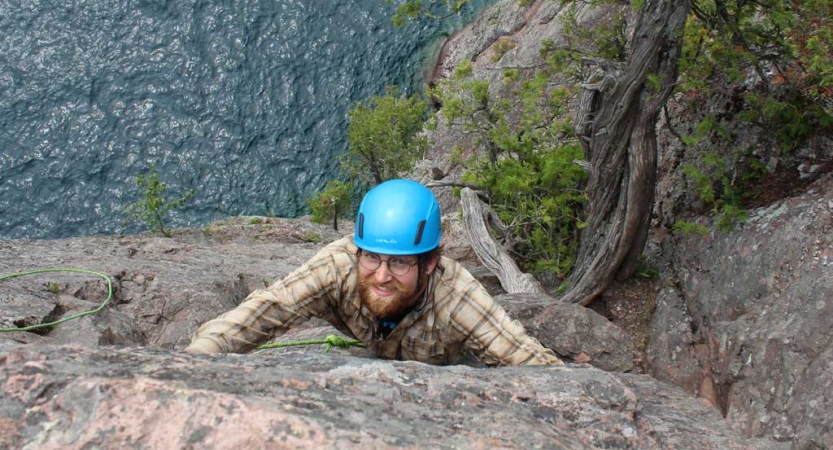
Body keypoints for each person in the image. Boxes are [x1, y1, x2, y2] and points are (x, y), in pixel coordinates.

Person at [184, 179, 563, 366]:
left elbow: (525, 359)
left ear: (430, 263)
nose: (381, 276)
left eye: (399, 262)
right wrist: (196, 360)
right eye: (372, 259)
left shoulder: (455, 295)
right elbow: (267, 309)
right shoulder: (341, 265)